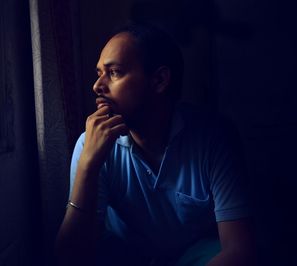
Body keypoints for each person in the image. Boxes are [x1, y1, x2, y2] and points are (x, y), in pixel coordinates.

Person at [55, 22, 256, 266]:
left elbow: (240, 250)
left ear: (159, 80)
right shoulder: (91, 143)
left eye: (114, 72)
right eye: (99, 73)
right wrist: (88, 165)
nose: (97, 86)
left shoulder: (214, 137)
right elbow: (68, 258)